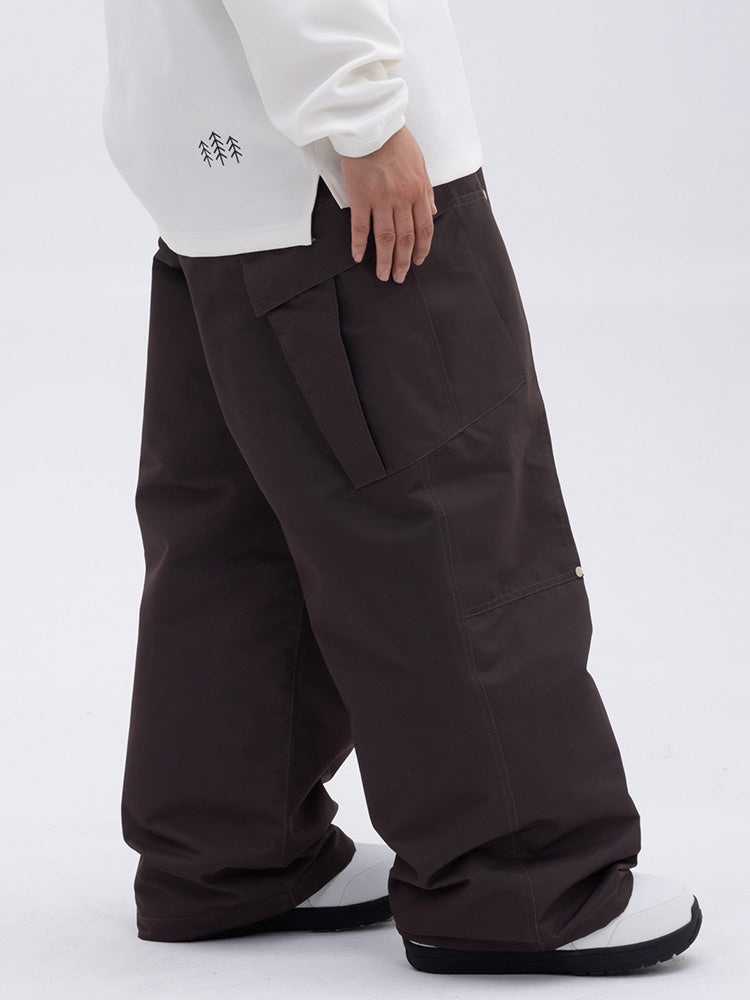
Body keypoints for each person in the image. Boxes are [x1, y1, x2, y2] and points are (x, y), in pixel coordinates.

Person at [101, 0, 702, 975]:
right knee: (449, 518)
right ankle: (521, 881)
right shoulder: (349, 132)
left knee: (237, 536)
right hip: (330, 175)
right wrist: (364, 119)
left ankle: (232, 851)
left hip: (219, 163)